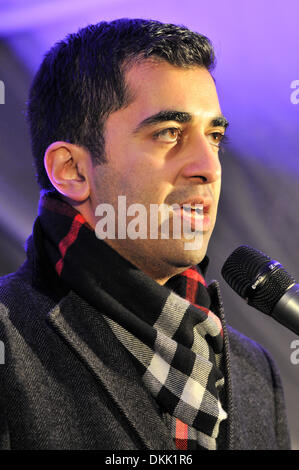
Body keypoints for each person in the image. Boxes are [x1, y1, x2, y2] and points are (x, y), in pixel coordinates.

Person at [0, 18, 290, 450]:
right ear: (71, 169)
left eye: (215, 137)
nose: (209, 167)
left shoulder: (254, 371)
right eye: (169, 133)